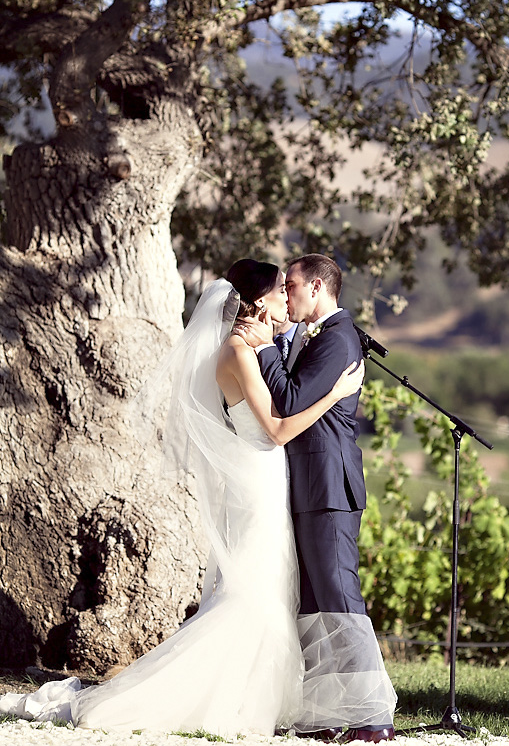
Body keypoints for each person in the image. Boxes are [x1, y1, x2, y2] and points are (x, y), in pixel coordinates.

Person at [0, 260, 364, 737]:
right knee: (251, 595)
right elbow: (277, 429)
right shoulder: (238, 350)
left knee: (269, 590)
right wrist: (335, 392)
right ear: (258, 302)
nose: (286, 296)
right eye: (281, 288)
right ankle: (206, 695)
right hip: (258, 481)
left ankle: (245, 695)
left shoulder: (252, 347)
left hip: (265, 480)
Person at [236, 254, 397, 743]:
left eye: (293, 285)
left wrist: (264, 351)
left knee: (339, 593)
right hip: (307, 482)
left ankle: (374, 717)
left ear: (320, 287)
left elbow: (288, 402)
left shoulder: (339, 339)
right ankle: (328, 714)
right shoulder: (313, 336)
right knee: (313, 601)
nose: (286, 294)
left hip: (330, 484)